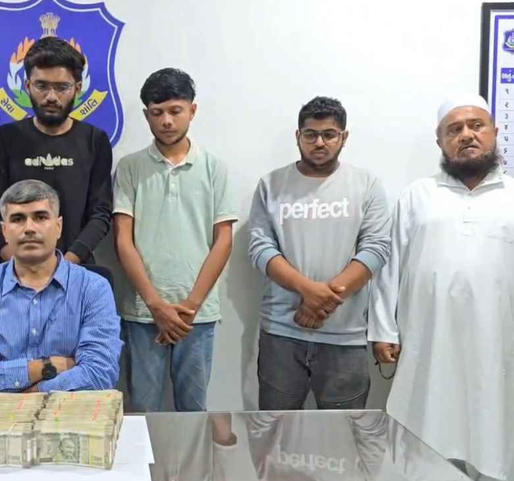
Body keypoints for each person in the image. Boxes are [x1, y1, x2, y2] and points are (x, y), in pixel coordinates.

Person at [369, 95, 514, 481]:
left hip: (499, 342)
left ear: (495, 132)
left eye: (476, 126)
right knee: (424, 431)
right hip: (429, 340)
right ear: (440, 142)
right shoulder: (418, 195)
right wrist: (383, 329)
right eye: (454, 129)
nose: (466, 135)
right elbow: (389, 267)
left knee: (496, 429)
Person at [247, 96, 390, 410]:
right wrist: (308, 291)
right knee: (276, 430)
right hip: (281, 332)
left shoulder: (366, 184)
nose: (320, 142)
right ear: (298, 136)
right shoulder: (271, 185)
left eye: (329, 134)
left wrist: (321, 303)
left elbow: (376, 248)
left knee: (345, 434)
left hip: (345, 334)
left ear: (344, 137)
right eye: (311, 134)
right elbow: (260, 249)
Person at [113, 68, 237, 412]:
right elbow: (123, 240)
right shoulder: (130, 168)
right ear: (146, 115)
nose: (166, 121)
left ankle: (192, 457)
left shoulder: (214, 168)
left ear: (192, 111)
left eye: (175, 111)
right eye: (157, 113)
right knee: (143, 409)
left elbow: (223, 241)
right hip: (143, 312)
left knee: (193, 410)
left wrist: (190, 307)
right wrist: (156, 304)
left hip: (197, 314)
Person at [0, 179, 121, 395]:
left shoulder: (93, 289)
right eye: (18, 219)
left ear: (58, 227)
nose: (29, 228)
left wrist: (3, 380)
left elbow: (99, 375)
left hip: (67, 413)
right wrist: (44, 367)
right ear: (4, 231)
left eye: (40, 217)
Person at [0, 36, 112, 268]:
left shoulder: (95, 140)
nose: (51, 97)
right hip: (15, 270)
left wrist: (65, 265)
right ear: (27, 86)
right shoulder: (5, 138)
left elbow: (100, 214)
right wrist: (19, 262)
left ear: (77, 88)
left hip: (76, 268)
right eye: (42, 86)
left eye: (62, 87)